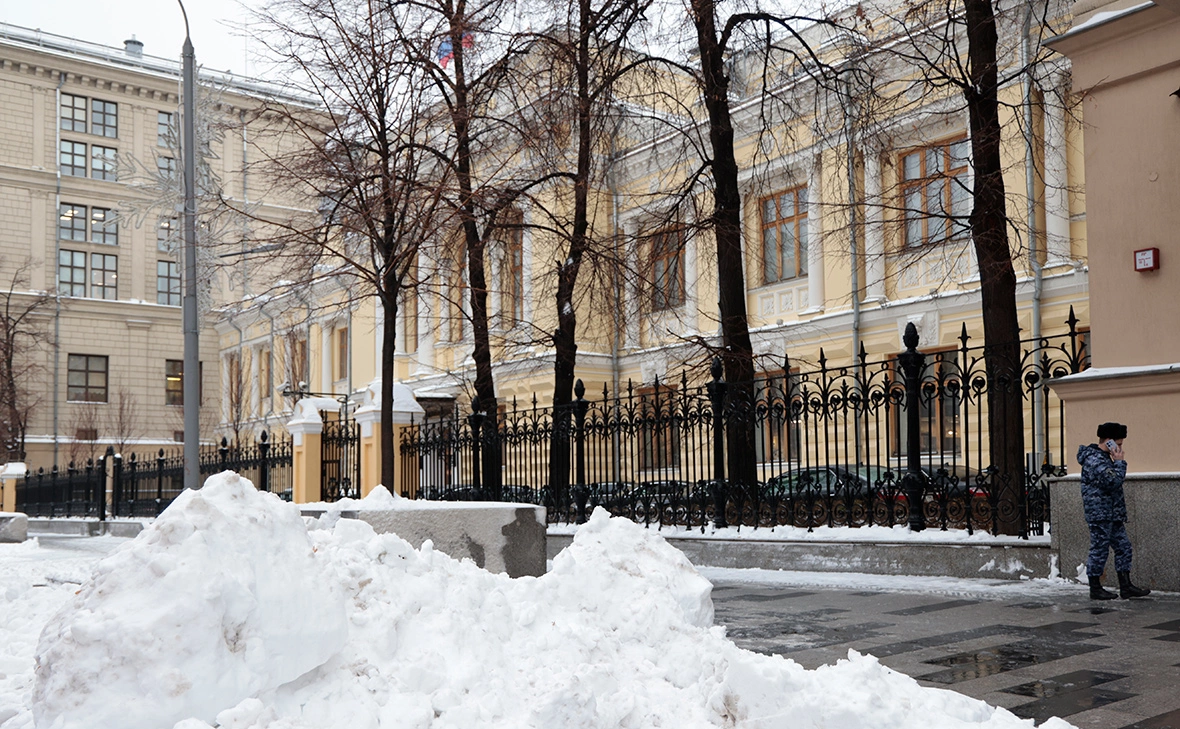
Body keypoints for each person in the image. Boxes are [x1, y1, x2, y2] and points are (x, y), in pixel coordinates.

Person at [1077, 422, 1150, 600]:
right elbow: (1112, 482)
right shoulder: (1094, 459)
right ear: (1108, 441)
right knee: (1099, 549)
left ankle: (1126, 586)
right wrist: (1119, 463)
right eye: (1119, 443)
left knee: (1124, 547)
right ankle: (1095, 588)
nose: (1120, 447)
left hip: (1112, 513)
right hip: (1100, 514)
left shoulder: (1103, 457)